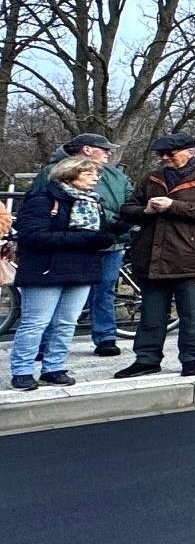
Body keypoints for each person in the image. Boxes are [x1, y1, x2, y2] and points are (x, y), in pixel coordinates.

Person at [112, 134, 195, 379]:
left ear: (190, 152)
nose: (164, 158)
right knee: (151, 314)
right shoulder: (151, 178)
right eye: (161, 154)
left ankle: (192, 360)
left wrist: (173, 206)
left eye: (170, 153)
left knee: (191, 315)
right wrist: (144, 210)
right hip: (153, 257)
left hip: (192, 258)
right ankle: (146, 359)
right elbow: (127, 209)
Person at [10, 157, 120, 390]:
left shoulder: (93, 202)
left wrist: (114, 232)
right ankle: (22, 370)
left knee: (67, 322)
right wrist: (83, 238)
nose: (96, 179)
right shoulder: (43, 199)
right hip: (45, 269)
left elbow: (98, 235)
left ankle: (54, 367)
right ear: (71, 175)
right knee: (36, 321)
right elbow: (32, 235)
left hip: (81, 268)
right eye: (90, 174)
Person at [29, 133, 131, 357]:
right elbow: (39, 203)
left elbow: (130, 202)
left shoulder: (116, 175)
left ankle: (105, 337)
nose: (109, 153)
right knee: (58, 296)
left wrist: (125, 224)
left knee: (105, 291)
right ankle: (43, 344)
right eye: (104, 149)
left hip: (111, 243)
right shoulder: (53, 172)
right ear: (86, 149)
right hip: (73, 246)